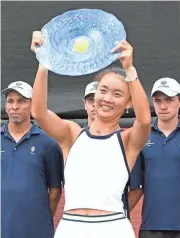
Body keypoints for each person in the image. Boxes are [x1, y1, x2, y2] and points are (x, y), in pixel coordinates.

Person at [31, 31, 151, 238]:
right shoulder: (71, 134)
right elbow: (39, 113)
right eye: (103, 91)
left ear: (128, 103)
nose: (107, 99)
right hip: (71, 227)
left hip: (113, 228)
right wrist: (43, 62)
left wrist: (130, 70)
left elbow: (145, 120)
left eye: (117, 94)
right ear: (94, 94)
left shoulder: (128, 141)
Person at [1, 81, 64, 238]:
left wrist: (38, 219)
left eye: (21, 101)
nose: (15, 106)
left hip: (37, 230)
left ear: (32, 104)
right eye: (10, 101)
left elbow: (55, 190)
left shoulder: (48, 144)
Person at [83, 81, 144, 218]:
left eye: (97, 99)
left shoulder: (126, 141)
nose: (94, 104)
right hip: (79, 222)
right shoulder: (74, 139)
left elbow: (136, 189)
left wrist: (116, 214)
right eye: (90, 100)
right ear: (84, 104)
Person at [130, 77, 180, 238]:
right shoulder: (142, 135)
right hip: (151, 226)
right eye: (158, 101)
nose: (163, 106)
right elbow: (136, 187)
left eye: (169, 100)